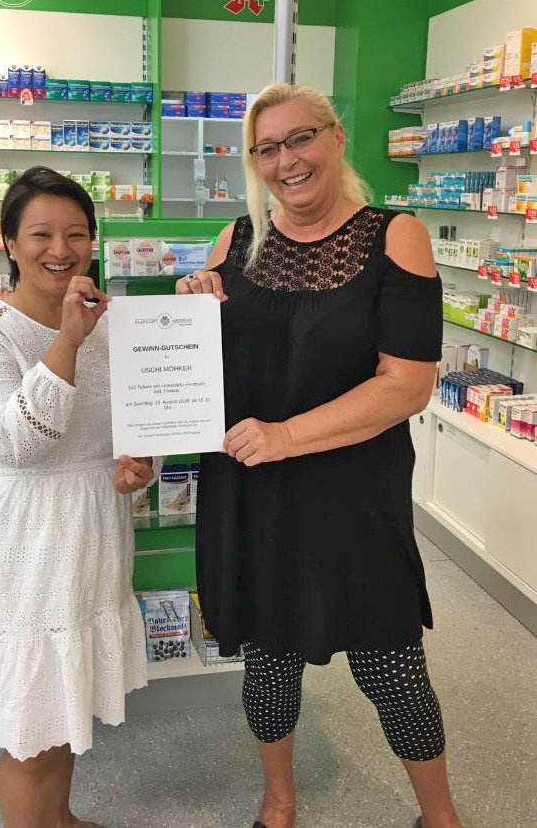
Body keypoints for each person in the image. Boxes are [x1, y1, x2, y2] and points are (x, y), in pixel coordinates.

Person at [177, 84, 463, 828]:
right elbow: (213, 369)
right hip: (254, 493)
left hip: (352, 491)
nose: (287, 160)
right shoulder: (236, 241)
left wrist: (286, 435)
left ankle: (439, 814)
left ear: (335, 137)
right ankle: (279, 799)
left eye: (300, 138)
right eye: (267, 148)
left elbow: (406, 385)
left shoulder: (394, 236)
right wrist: (191, 312)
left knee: (392, 664)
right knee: (269, 663)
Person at [0, 166, 153, 828]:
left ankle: (59, 819)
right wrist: (67, 339)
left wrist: (141, 463)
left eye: (76, 233)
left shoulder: (111, 326)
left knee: (64, 709)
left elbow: (126, 429)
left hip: (93, 533)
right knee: (29, 733)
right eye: (40, 234)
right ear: (9, 242)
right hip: (25, 545)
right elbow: (13, 443)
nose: (60, 249)